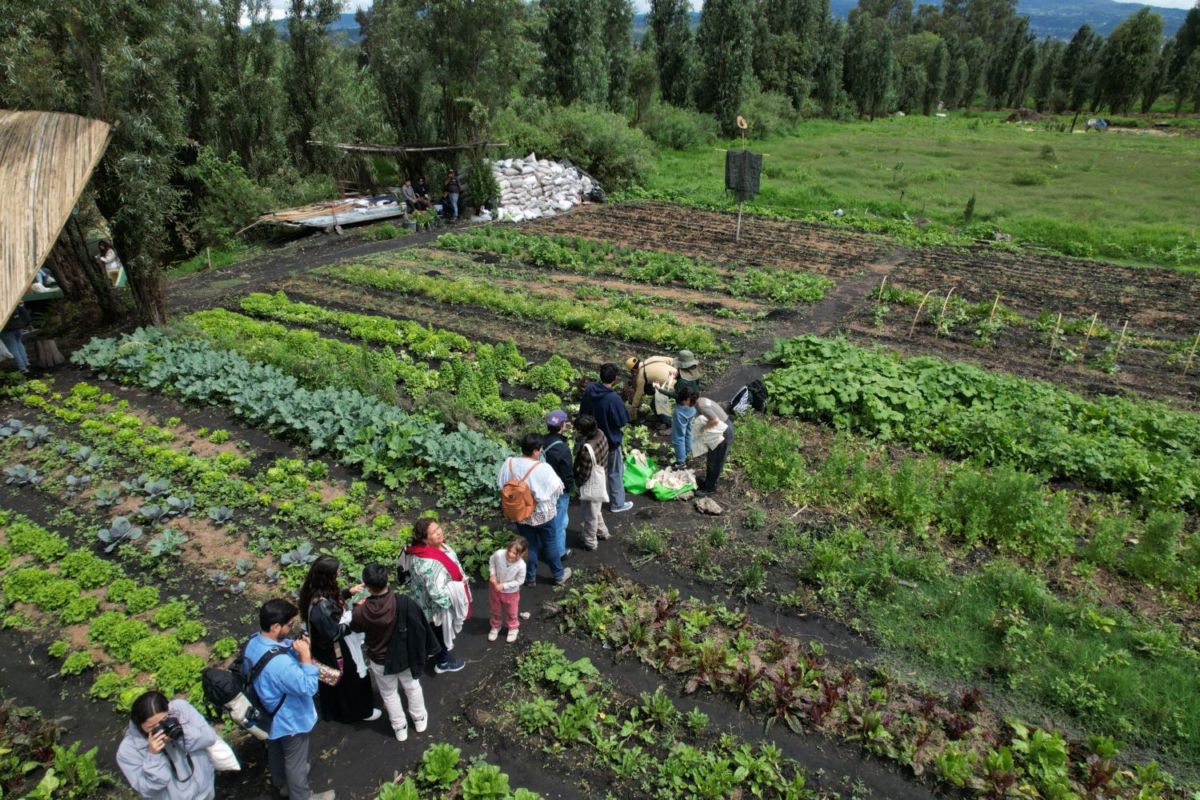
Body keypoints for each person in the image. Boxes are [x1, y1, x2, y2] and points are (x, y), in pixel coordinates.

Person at [244, 599, 335, 800]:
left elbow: (274, 652)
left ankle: (282, 783)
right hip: (290, 717)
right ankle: (302, 795)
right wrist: (305, 655)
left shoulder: (253, 642)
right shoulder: (281, 665)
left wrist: (292, 646)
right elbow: (308, 687)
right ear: (275, 626)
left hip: (268, 713)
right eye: (289, 625)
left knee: (276, 749)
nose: (291, 628)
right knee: (295, 761)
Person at [350, 563, 437, 742]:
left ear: (366, 586)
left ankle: (399, 728)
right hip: (404, 657)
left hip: (379, 659)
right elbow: (420, 627)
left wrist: (357, 607)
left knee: (389, 694)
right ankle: (419, 718)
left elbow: (355, 628)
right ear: (387, 580)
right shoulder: (403, 602)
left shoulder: (361, 611)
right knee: (412, 686)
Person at [297, 557, 379, 725]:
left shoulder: (312, 592)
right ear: (327, 577)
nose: (339, 573)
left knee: (333, 681)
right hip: (335, 650)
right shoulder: (320, 607)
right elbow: (334, 632)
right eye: (336, 572)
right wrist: (355, 616)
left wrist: (348, 592)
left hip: (322, 649)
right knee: (350, 678)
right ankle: (358, 712)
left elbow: (330, 604)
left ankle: (335, 710)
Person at [497, 433, 570, 586]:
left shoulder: (509, 463)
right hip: (541, 514)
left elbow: (501, 484)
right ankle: (558, 574)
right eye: (541, 449)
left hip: (520, 512)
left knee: (529, 544)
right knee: (549, 542)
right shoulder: (543, 468)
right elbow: (558, 488)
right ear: (536, 451)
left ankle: (530, 577)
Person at [116, 691, 217, 800]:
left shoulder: (180, 709)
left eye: (164, 720)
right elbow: (147, 790)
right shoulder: (127, 752)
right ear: (139, 725)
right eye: (152, 727)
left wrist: (181, 732)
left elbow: (209, 738)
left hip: (205, 790)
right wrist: (153, 755)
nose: (161, 729)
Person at [400, 518, 470, 673]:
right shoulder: (430, 563)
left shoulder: (420, 550)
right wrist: (456, 595)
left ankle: (433, 651)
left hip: (422, 601)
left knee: (432, 631)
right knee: (441, 632)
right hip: (436, 607)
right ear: (424, 539)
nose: (439, 532)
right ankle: (443, 663)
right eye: (433, 532)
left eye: (438, 528)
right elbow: (437, 593)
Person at [580, 363, 634, 513]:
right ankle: (617, 504)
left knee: (595, 471)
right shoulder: (613, 398)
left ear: (600, 375)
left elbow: (582, 412)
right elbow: (622, 420)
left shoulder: (590, 390)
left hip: (591, 440)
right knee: (614, 472)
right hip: (610, 441)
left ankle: (592, 499)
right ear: (615, 379)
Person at [572, 414, 610, 550]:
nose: (576, 431)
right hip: (601, 476)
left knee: (590, 514)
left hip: (592, 483)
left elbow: (584, 474)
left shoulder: (587, 450)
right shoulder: (601, 433)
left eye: (577, 429)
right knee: (596, 509)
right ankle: (603, 532)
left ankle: (590, 541)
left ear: (583, 431)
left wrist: (578, 484)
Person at [542, 410, 575, 560]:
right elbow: (567, 473)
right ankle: (559, 552)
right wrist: (570, 489)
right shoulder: (562, 448)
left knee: (545, 518)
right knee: (560, 521)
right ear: (562, 425)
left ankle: (545, 545)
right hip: (559, 490)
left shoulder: (541, 442)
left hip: (542, 487)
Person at [487, 536, 528, 642]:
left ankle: (513, 628)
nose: (510, 554)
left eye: (515, 553)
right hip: (495, 588)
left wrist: (504, 586)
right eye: (509, 550)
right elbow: (491, 561)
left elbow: (520, 581)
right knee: (495, 609)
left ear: (522, 554)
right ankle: (496, 626)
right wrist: (492, 574)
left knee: (512, 611)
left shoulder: (521, 566)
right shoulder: (499, 554)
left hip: (510, 593)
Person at [694, 394, 734, 497]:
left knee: (716, 461)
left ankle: (710, 489)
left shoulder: (702, 406)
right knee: (712, 458)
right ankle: (708, 482)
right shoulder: (701, 400)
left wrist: (704, 428)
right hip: (723, 427)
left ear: (688, 399)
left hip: (724, 432)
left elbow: (715, 420)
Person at [672, 387, 700, 468]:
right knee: (688, 431)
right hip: (691, 411)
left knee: (678, 437)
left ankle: (681, 462)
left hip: (681, 414)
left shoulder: (684, 400)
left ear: (686, 399)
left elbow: (671, 394)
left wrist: (659, 389)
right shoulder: (692, 395)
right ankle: (687, 451)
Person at [1, 303, 32, 375]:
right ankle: (26, 362)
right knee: (19, 343)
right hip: (17, 326)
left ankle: (23, 368)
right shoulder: (11, 299)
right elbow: (23, 311)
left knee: (13, 347)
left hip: (6, 329)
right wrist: (28, 323)